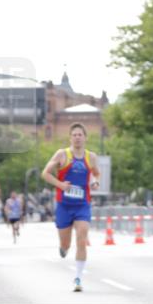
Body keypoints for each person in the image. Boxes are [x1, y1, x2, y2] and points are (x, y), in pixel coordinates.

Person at [42, 123, 101, 292]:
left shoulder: (91, 157)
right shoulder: (62, 154)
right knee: (66, 244)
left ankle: (78, 278)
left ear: (85, 137)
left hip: (83, 204)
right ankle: (63, 248)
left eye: (80, 135)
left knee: (82, 238)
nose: (77, 137)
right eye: (74, 135)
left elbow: (96, 173)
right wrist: (60, 184)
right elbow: (45, 173)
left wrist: (95, 181)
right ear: (70, 137)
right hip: (64, 205)